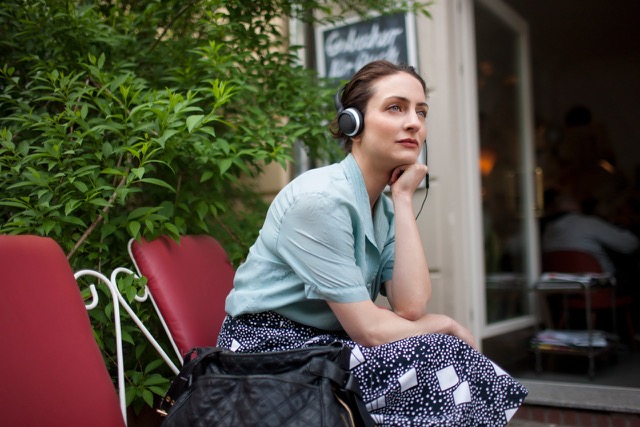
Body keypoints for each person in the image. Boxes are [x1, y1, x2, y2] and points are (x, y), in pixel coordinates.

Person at [218, 60, 527, 426]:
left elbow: (410, 306)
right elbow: (370, 330)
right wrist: (445, 323)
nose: (414, 123)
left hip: (324, 344)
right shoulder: (319, 201)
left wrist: (403, 200)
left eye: (421, 111)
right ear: (354, 124)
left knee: (442, 359)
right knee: (439, 356)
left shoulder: (383, 204)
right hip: (266, 351)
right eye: (395, 107)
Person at [541, 192, 639, 274]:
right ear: (575, 205)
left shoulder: (547, 230)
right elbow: (630, 244)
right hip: (597, 283)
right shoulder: (587, 222)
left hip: (562, 285)